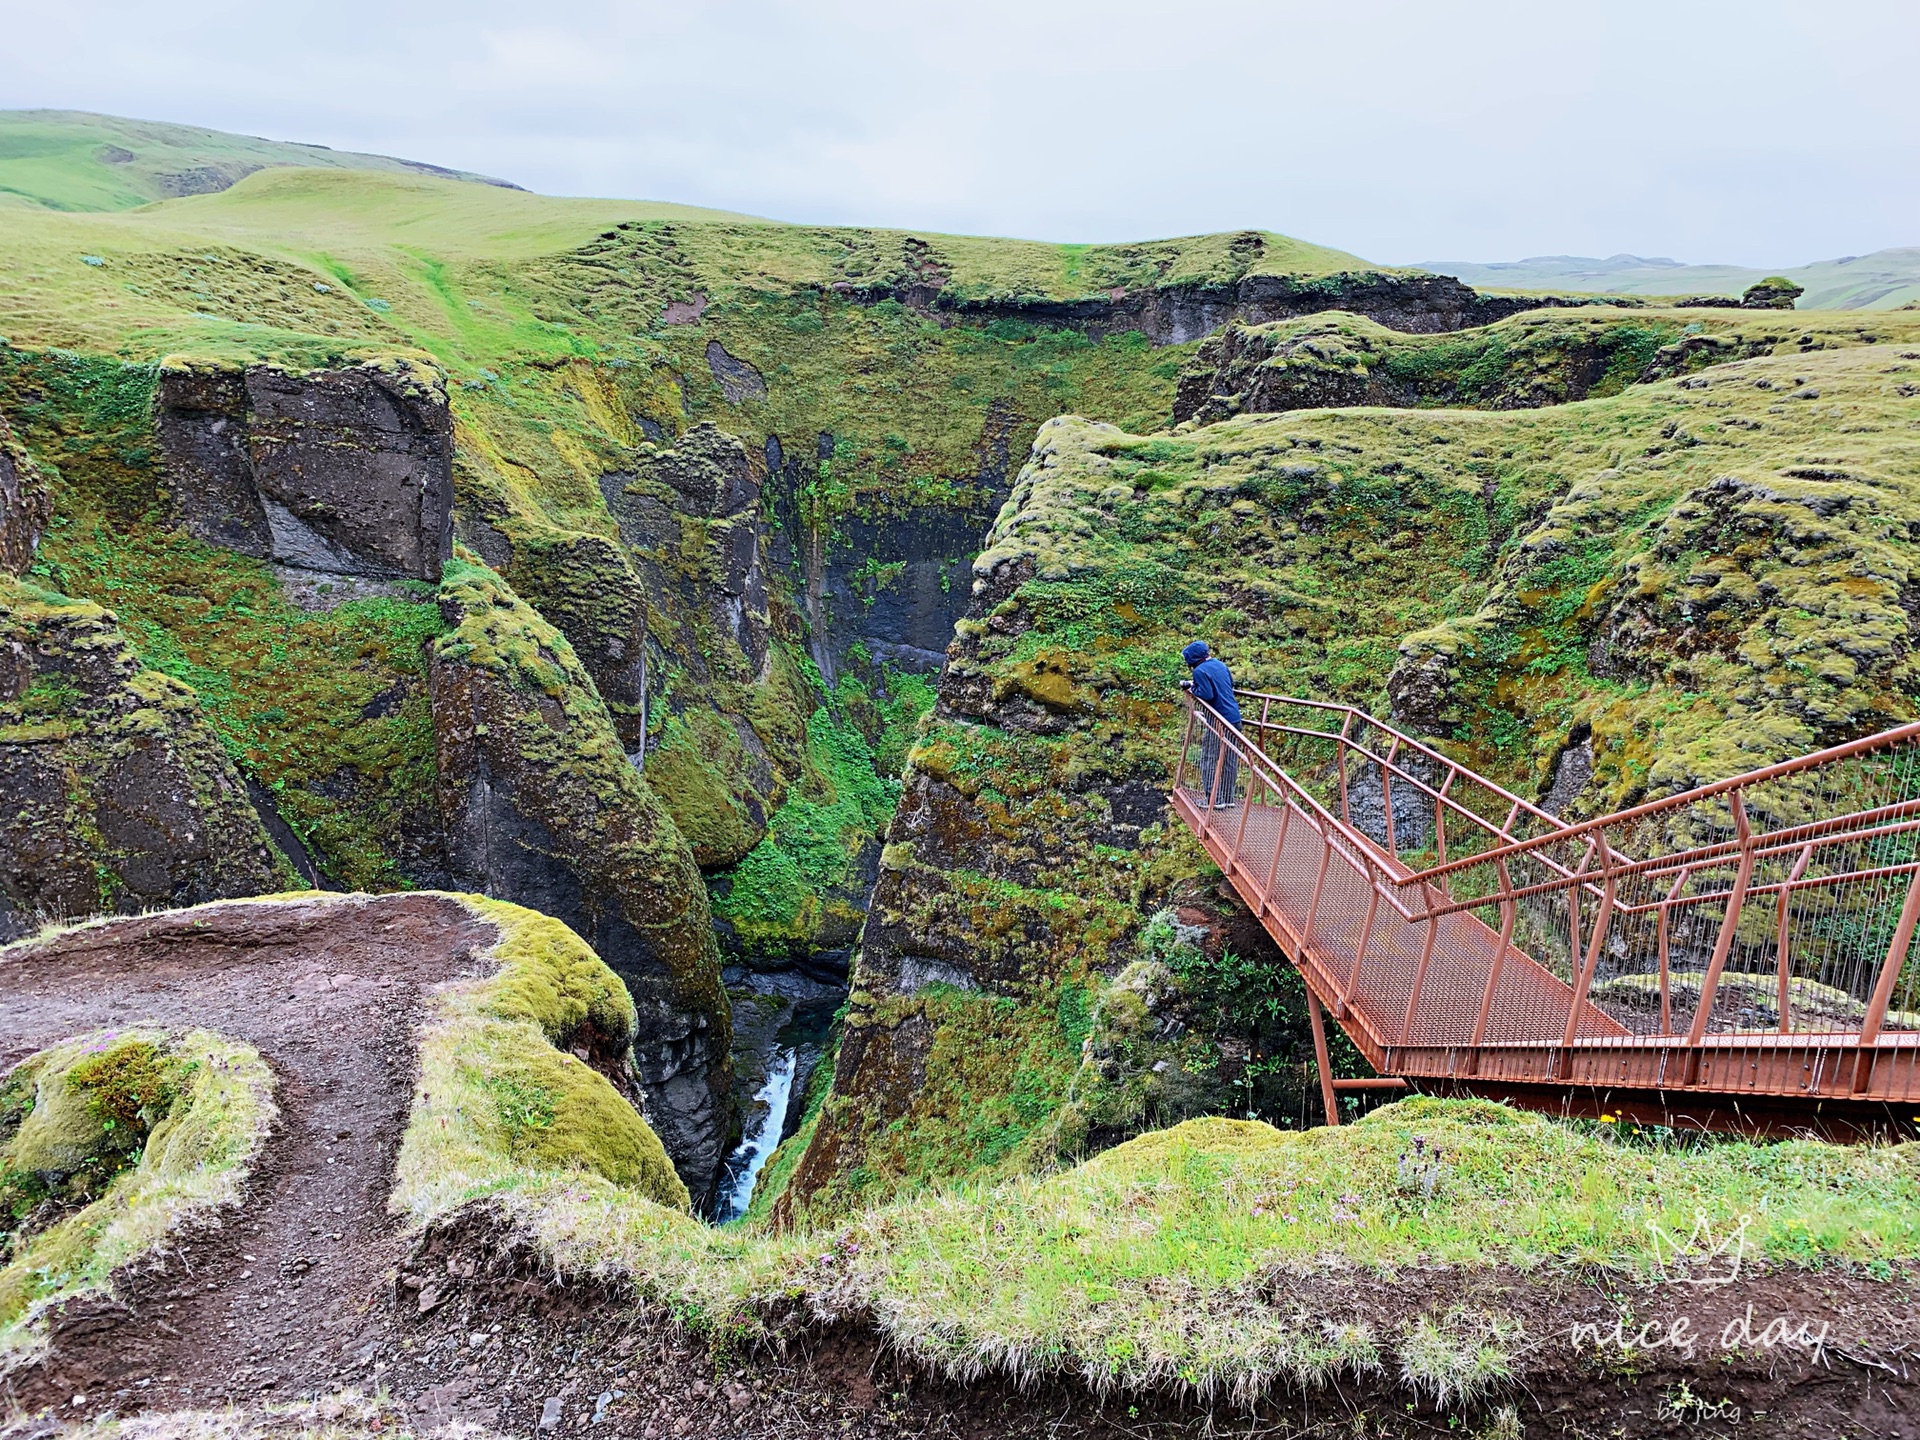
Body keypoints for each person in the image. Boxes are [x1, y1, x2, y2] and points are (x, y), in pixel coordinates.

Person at [1181, 641, 1240, 808]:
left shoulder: (1200, 671)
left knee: (1209, 759)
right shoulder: (1221, 665)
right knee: (1230, 759)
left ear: (1192, 659)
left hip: (1218, 721)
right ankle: (1228, 798)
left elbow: (1206, 693)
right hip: (1234, 718)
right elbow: (1228, 685)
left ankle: (1214, 800)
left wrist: (1191, 689)